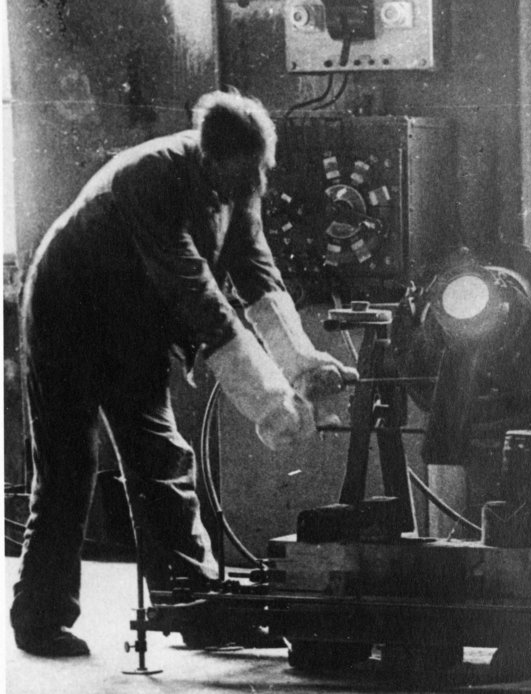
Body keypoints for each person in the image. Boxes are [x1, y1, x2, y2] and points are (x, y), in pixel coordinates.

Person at [11, 89, 358, 657]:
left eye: (258, 176)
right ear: (207, 156)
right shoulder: (149, 178)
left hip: (132, 323)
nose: (252, 188)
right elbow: (196, 295)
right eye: (240, 178)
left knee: (161, 458)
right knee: (69, 465)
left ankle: (194, 607)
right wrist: (270, 402)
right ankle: (40, 619)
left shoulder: (240, 181)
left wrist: (303, 363)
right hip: (65, 315)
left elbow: (257, 272)